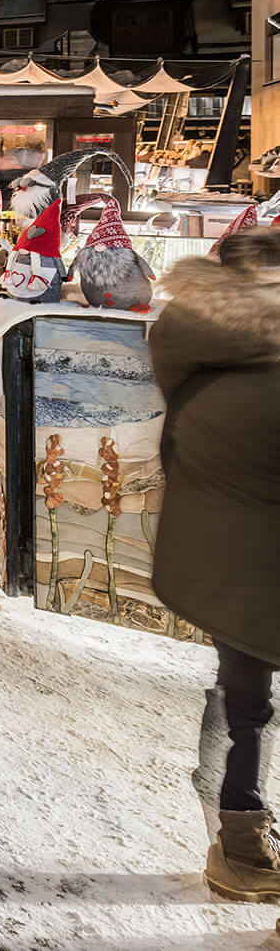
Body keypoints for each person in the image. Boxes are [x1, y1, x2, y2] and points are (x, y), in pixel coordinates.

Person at [147, 228, 280, 902]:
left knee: (242, 700)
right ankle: (242, 840)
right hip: (254, 560)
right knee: (246, 704)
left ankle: (239, 834)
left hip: (220, 558)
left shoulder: (197, 347)